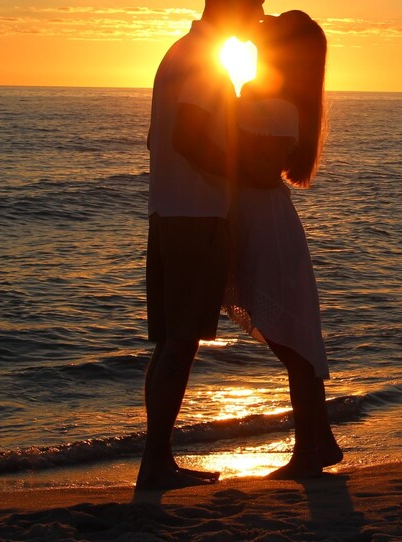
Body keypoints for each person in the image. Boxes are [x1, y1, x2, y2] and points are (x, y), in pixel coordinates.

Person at [139, 0, 265, 491]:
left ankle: (157, 459)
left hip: (168, 211)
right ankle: (155, 464)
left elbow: (156, 138)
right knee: (180, 342)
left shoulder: (179, 54)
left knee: (171, 341)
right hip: (194, 216)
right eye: (253, 7)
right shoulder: (204, 60)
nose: (257, 17)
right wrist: (241, 172)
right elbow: (188, 137)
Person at [221, 11, 342, 479]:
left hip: (264, 222)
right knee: (291, 337)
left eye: (276, 24)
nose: (264, 22)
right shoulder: (265, 90)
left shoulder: (277, 100)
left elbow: (255, 168)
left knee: (290, 338)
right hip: (257, 219)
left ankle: (313, 446)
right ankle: (319, 442)